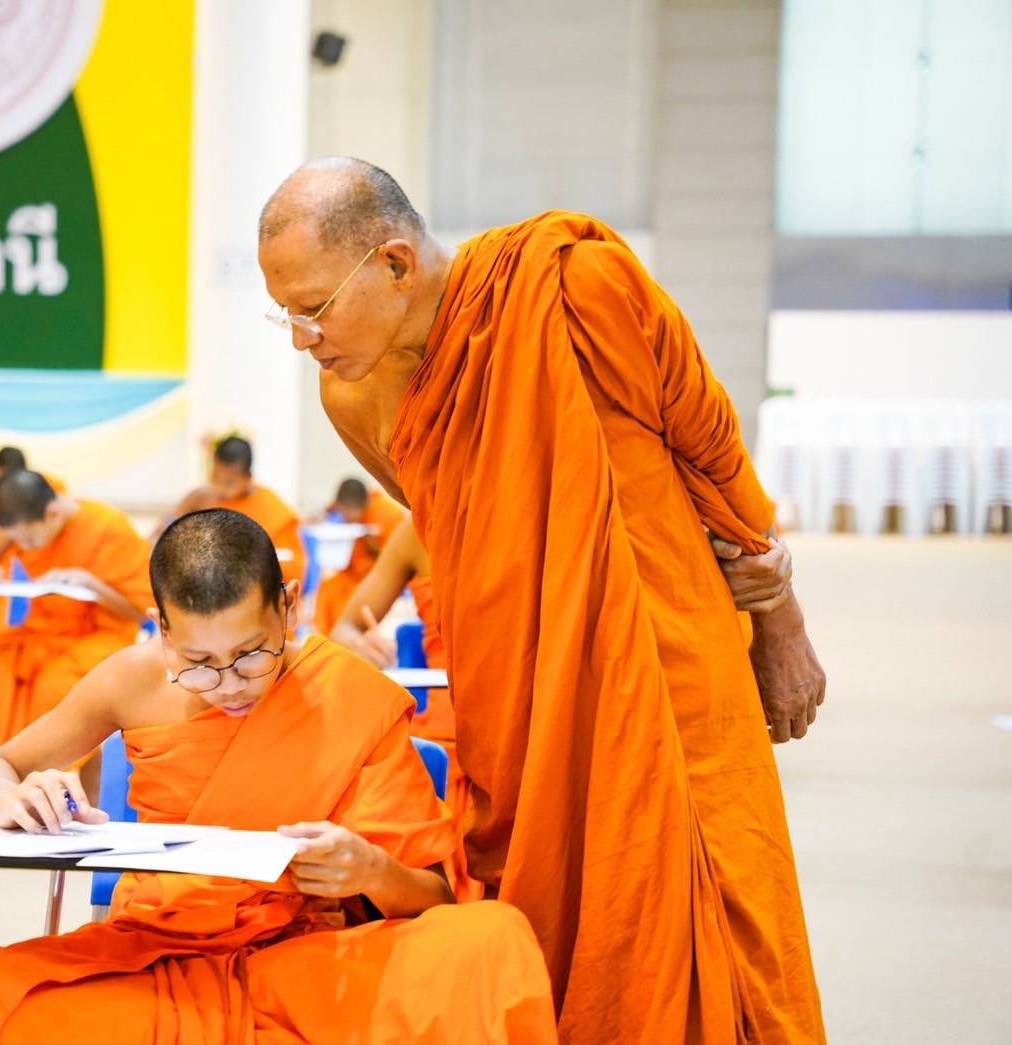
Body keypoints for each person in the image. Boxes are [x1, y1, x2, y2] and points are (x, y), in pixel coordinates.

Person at [258, 156, 826, 1042]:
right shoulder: (353, 393)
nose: (301, 337)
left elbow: (712, 454)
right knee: (554, 931)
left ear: (396, 264)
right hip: (520, 701)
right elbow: (457, 517)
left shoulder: (574, 286)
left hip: (667, 672)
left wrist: (780, 619)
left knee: (730, 926)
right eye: (283, 313)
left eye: (313, 307)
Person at [0, 509, 556, 1044]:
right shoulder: (131, 679)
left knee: (488, 941)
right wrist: (13, 794)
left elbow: (434, 899)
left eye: (250, 655)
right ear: (162, 631)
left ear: (287, 605)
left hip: (305, 955)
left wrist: (370, 873)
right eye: (198, 662)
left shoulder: (348, 693)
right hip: (158, 947)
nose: (228, 686)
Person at [0, 470, 151, 774]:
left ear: (54, 513)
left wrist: (92, 585)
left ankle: (52, 784)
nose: (25, 547)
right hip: (38, 634)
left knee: (55, 685)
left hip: (101, 637)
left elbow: (141, 612)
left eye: (29, 539)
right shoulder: (21, 525)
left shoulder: (110, 529)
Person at [326, 514, 477, 901]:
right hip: (450, 728)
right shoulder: (421, 527)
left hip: (538, 728)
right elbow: (344, 630)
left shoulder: (550, 511)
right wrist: (362, 645)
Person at [155, 436, 307, 586]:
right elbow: (167, 531)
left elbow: (293, 566)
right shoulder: (201, 497)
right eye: (215, 477)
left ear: (248, 477)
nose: (219, 487)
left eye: (229, 483)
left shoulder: (273, 509)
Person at [310, 476, 404, 634]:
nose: (344, 518)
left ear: (361, 506)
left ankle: (343, 638)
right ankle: (326, 638)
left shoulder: (388, 515)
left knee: (345, 601)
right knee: (327, 590)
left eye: (347, 513)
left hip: (379, 575)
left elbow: (401, 559)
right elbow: (329, 509)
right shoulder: (345, 507)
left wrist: (373, 545)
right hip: (354, 572)